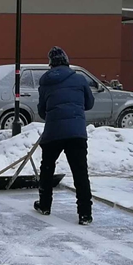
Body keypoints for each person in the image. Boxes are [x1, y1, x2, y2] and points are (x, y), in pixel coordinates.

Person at [33, 47, 95, 225]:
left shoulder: (45, 81)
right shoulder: (79, 78)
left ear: (51, 63)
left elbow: (42, 110)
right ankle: (85, 213)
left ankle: (45, 205)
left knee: (47, 168)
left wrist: (54, 114)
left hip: (53, 131)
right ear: (67, 60)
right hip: (76, 132)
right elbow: (89, 103)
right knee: (80, 172)